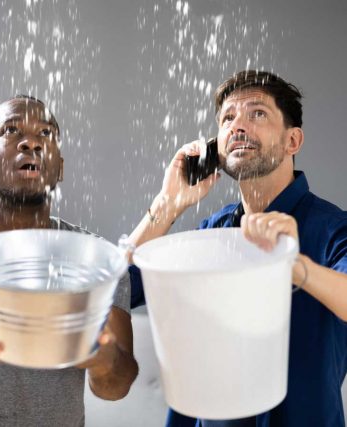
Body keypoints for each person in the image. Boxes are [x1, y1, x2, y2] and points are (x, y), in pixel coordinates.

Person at [128, 70, 347, 427]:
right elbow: (120, 289)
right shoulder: (212, 232)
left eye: (257, 113)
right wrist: (167, 203)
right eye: (228, 118)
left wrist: (292, 264)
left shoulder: (335, 229)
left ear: (293, 141)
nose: (238, 126)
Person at [0, 95, 138, 427]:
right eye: (10, 130)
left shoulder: (95, 259)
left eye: (46, 135)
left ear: (60, 168)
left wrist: (101, 356)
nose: (32, 143)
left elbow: (115, 387)